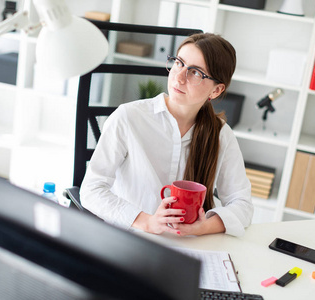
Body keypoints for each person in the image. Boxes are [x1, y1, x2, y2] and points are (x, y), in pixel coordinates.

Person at [80, 33, 253, 237]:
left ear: (216, 91)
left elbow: (242, 205)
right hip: (131, 237)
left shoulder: (220, 134)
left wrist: (203, 226)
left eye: (196, 73)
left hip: (189, 245)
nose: (179, 77)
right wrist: (146, 222)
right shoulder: (129, 118)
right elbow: (91, 190)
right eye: (179, 63)